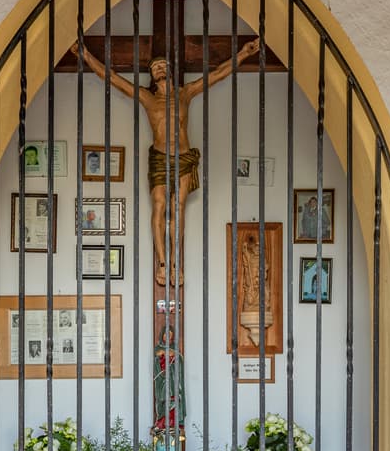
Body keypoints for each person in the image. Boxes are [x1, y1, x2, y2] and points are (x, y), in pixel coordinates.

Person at [81, 34, 262, 291]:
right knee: (159, 206)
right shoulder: (146, 97)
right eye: (155, 67)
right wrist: (86, 55)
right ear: (151, 75)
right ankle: (163, 263)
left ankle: (177, 262)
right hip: (159, 157)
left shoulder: (184, 93)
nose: (160, 68)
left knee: (178, 209)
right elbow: (114, 79)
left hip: (184, 158)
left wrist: (244, 53)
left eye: (164, 65)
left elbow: (218, 74)